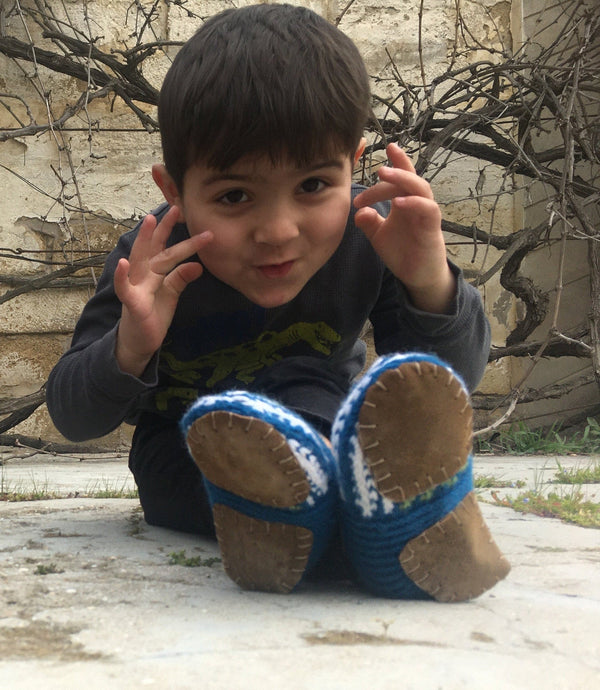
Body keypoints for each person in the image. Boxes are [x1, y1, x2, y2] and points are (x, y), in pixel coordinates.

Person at [47, 3, 509, 601]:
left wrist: (430, 284)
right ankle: (382, 537)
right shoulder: (150, 265)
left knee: (311, 384)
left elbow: (447, 385)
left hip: (329, 426)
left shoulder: (375, 236)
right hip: (196, 460)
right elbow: (72, 415)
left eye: (313, 186)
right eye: (236, 195)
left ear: (354, 165)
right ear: (175, 193)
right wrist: (129, 347)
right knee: (188, 461)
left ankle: (340, 508)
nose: (278, 230)